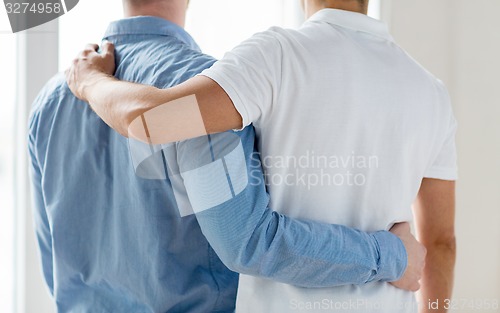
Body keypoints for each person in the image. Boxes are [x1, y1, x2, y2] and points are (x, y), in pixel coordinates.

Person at [30, 0, 426, 312]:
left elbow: (54, 261)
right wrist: (392, 255)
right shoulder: (205, 94)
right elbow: (249, 242)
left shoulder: (49, 101)